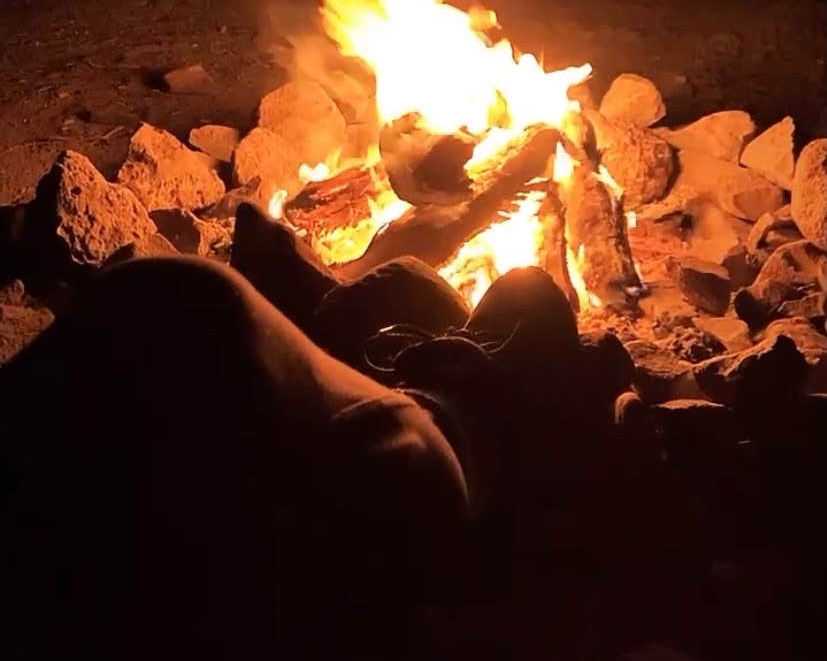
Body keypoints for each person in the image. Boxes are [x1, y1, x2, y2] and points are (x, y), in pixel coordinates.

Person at [0, 204, 577, 661]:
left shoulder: (192, 306)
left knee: (178, 302)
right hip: (111, 570)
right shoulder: (397, 458)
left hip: (79, 562)